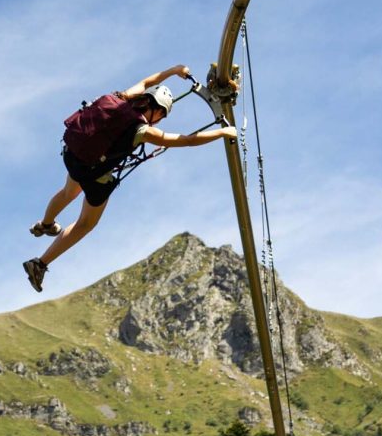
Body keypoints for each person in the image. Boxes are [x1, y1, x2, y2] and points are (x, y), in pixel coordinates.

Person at [23, 64, 237, 292]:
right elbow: (186, 140)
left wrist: (174, 71)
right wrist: (223, 132)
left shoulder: (123, 98)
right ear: (158, 111)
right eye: (162, 116)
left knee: (69, 192)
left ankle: (46, 224)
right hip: (94, 174)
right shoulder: (144, 131)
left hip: (73, 154)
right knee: (86, 223)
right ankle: (40, 263)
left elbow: (147, 82)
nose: (160, 121)